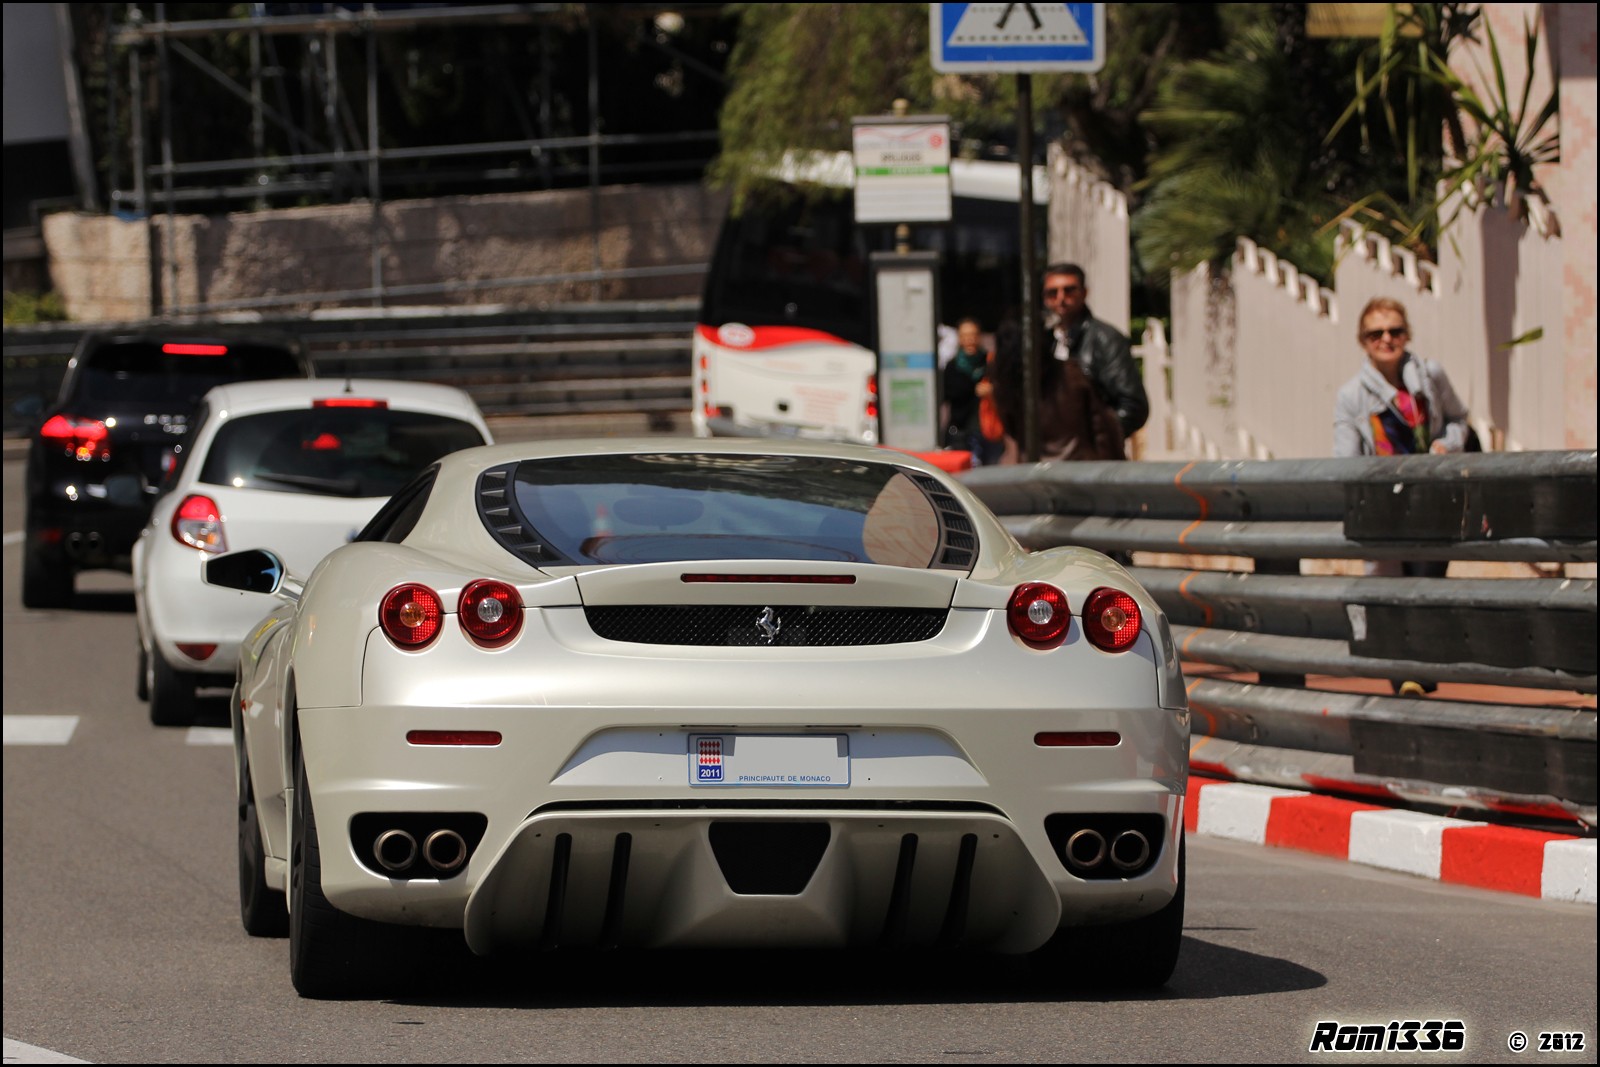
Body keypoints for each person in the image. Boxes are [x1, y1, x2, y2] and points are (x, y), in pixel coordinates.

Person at [1334, 296, 1471, 695]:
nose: (1387, 339)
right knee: (1390, 595)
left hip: (1433, 502)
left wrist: (1448, 444)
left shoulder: (1430, 376)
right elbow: (1344, 458)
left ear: (1407, 334)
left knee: (1426, 591)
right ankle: (1405, 677)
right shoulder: (1352, 396)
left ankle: (1420, 673)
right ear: (1363, 340)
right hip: (1385, 509)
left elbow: (1460, 418)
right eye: (1376, 333)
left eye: (1395, 330)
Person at [991, 262, 1146, 462]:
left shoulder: (1104, 338)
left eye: (1069, 290)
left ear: (1084, 293)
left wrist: (1096, 438)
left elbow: (1134, 405)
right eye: (1052, 293)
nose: (1061, 299)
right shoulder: (1043, 339)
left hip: (1089, 464)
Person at [942, 318, 1004, 465]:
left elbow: (1006, 390)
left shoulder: (990, 362)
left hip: (988, 429)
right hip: (961, 431)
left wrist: (992, 391)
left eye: (973, 334)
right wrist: (972, 389)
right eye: (965, 335)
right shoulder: (952, 367)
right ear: (959, 339)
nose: (970, 339)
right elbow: (948, 394)